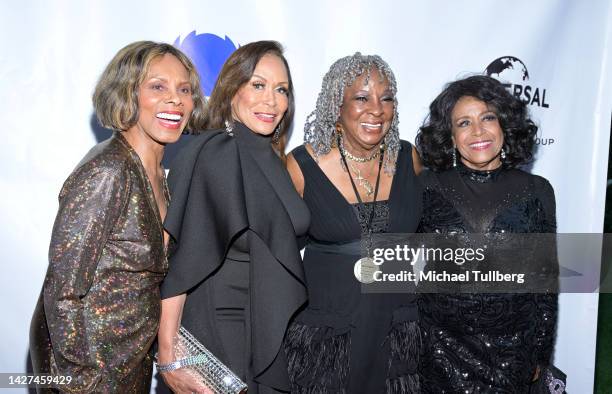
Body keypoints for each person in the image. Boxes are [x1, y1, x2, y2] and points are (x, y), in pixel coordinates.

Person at [29, 41, 204, 393]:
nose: (176, 100)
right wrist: (82, 381)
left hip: (129, 360)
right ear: (127, 93)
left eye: (183, 89)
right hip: (84, 365)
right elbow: (63, 292)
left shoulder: (158, 174)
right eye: (158, 87)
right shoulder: (109, 171)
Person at [157, 41, 310, 393]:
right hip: (219, 333)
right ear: (232, 89)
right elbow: (180, 262)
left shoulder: (274, 159)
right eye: (258, 85)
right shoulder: (215, 151)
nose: (271, 100)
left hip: (266, 331)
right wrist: (169, 355)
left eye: (281, 89)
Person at [284, 53, 423, 393]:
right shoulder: (300, 166)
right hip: (332, 333)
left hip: (397, 329)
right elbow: (274, 252)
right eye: (362, 97)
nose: (376, 109)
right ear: (336, 105)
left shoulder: (409, 158)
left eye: (386, 97)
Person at [415, 75, 560, 392]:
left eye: (488, 118)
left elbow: (546, 282)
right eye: (464, 123)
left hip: (513, 356)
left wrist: (540, 352)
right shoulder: (425, 187)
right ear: (451, 136)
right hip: (439, 351)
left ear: (504, 126)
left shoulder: (538, 191)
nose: (478, 131)